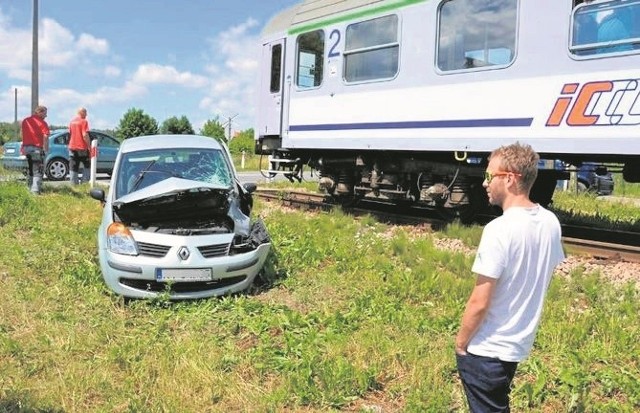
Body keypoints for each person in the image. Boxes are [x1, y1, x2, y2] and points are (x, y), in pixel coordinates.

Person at [455, 142, 565, 412]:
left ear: (510, 179)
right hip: (516, 346)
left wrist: (461, 343)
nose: (484, 183)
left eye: (489, 176)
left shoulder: (498, 229)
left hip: (486, 350)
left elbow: (479, 302)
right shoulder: (550, 222)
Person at [21, 105, 50, 194]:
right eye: (45, 113)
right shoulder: (42, 123)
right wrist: (45, 149)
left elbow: (22, 133)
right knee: (38, 170)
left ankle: (29, 189)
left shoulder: (25, 121)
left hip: (26, 148)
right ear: (39, 112)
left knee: (30, 169)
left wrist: (24, 145)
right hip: (36, 149)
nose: (46, 116)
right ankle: (35, 192)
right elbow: (46, 136)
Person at [68, 107, 91, 185]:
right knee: (87, 165)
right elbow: (85, 135)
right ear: (82, 113)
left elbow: (70, 134)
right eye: (85, 113)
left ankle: (74, 185)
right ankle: (84, 184)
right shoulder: (84, 121)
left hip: (72, 148)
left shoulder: (71, 122)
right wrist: (89, 146)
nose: (86, 115)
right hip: (82, 148)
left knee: (73, 166)